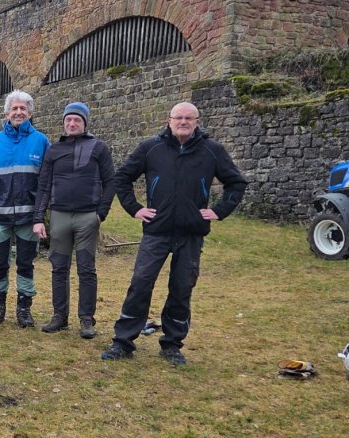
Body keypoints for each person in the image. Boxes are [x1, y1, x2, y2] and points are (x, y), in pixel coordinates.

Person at [101, 102, 247, 366]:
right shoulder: (151, 148)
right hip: (156, 231)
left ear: (197, 122)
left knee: (181, 288)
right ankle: (123, 342)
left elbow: (236, 183)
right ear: (168, 121)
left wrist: (218, 211)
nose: (183, 122)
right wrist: (134, 209)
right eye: (178, 117)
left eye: (188, 118)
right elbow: (121, 177)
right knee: (141, 284)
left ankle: (171, 344)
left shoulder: (212, 151)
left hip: (191, 234)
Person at [33, 102, 115, 339]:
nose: (71, 123)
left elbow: (111, 182)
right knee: (59, 267)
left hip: (87, 216)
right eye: (68, 120)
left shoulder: (99, 148)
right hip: (59, 215)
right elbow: (44, 186)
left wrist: (101, 213)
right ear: (63, 123)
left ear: (85, 123)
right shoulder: (53, 150)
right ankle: (60, 316)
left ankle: (86, 319)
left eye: (77, 120)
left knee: (87, 269)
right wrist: (39, 218)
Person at [0, 90, 50, 327]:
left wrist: (39, 215)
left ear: (30, 112)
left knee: (25, 264)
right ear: (6, 112)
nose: (19, 112)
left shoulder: (41, 141)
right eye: (14, 108)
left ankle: (24, 308)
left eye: (23, 108)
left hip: (28, 218)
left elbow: (45, 182)